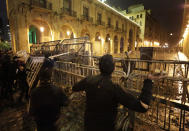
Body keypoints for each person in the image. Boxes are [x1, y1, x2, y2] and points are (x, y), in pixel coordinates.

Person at [72, 54, 164, 131]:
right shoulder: (115, 88)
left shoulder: (89, 80)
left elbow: (75, 87)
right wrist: (149, 81)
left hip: (89, 126)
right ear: (114, 68)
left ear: (99, 66)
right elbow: (143, 106)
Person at [29, 58, 68, 131]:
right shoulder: (58, 90)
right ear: (50, 78)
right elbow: (66, 102)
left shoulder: (34, 92)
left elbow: (31, 111)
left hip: (40, 122)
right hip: (54, 121)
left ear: (40, 78)